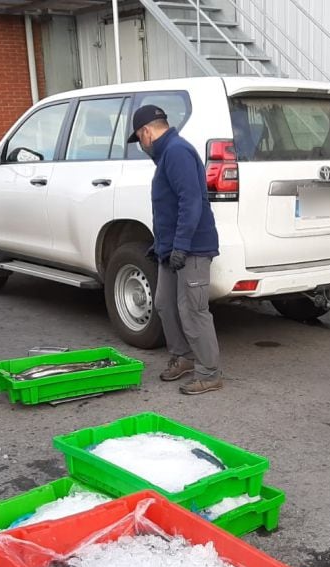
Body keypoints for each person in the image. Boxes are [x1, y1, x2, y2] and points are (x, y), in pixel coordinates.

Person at [127, 105, 222, 395]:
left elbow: (190, 202)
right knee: (165, 304)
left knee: (192, 310)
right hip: (171, 249)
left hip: (192, 248)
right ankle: (183, 358)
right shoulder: (166, 155)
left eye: (140, 139)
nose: (141, 145)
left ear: (146, 132)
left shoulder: (177, 152)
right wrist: (161, 246)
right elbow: (168, 208)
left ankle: (210, 373)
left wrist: (180, 246)